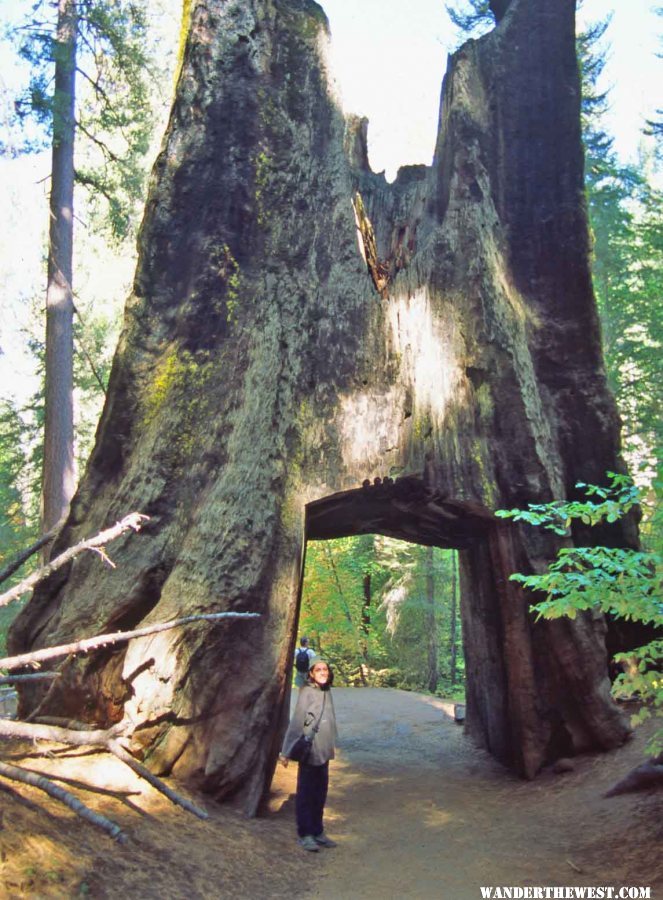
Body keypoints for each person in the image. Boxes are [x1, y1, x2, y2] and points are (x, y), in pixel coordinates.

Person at [280, 658, 338, 852]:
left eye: (325, 669)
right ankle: (305, 835)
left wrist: (331, 745)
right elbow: (297, 722)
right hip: (310, 751)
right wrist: (286, 751)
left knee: (320, 794)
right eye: (318, 670)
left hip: (324, 752)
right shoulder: (307, 693)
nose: (323, 672)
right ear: (311, 673)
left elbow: (330, 720)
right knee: (306, 794)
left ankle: (318, 831)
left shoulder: (326, 691)